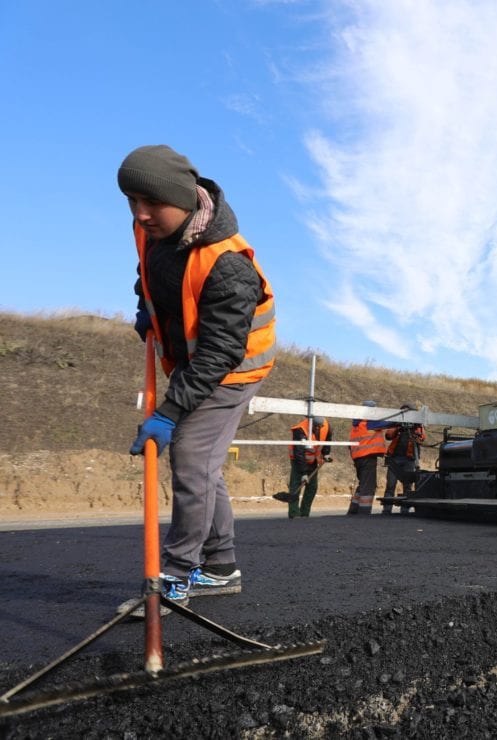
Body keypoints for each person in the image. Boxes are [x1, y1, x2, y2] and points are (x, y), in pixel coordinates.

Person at [121, 144, 276, 606]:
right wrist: (146, 308)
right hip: (197, 360)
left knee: (189, 454)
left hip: (233, 368)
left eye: (152, 204)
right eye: (133, 202)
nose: (142, 214)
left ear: (185, 200)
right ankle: (222, 566)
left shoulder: (228, 266)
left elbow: (221, 352)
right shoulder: (152, 230)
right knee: (203, 462)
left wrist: (168, 413)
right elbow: (147, 271)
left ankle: (176, 574)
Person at [347, 400, 389, 515]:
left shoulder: (357, 424)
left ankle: (353, 511)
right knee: (368, 486)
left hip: (358, 458)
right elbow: (389, 423)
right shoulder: (370, 422)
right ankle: (364, 513)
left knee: (363, 484)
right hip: (367, 457)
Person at [382, 404, 426, 514]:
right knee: (390, 485)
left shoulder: (417, 426)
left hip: (409, 459)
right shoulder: (396, 424)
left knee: (407, 486)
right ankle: (387, 509)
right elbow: (388, 435)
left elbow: (422, 439)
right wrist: (398, 428)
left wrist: (414, 428)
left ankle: (405, 509)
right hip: (394, 459)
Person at [287, 416, 332, 518]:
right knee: (296, 486)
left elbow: (328, 440)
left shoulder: (327, 426)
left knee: (312, 487)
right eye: (316, 427)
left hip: (313, 461)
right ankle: (294, 514)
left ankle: (304, 513)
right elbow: (299, 453)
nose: (318, 429)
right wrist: (303, 473)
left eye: (320, 427)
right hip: (298, 461)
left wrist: (326, 453)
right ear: (311, 423)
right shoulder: (300, 430)